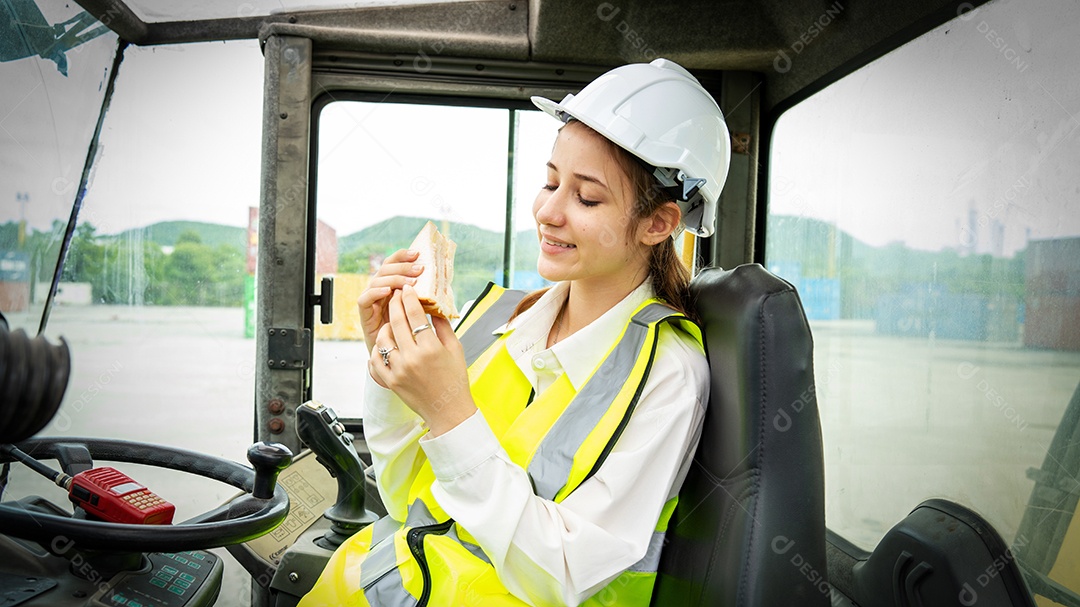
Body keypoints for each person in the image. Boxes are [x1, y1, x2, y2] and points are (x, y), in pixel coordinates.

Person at [299, 58, 731, 607]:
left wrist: (452, 410)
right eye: (550, 182)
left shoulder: (669, 374)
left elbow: (562, 576)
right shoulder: (501, 318)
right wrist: (389, 366)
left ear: (658, 223)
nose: (548, 211)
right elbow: (407, 497)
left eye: (587, 197)